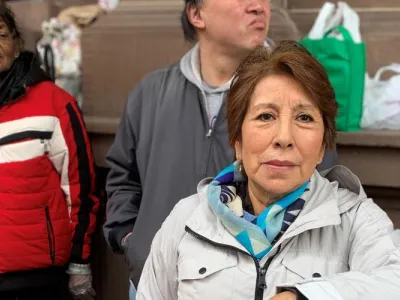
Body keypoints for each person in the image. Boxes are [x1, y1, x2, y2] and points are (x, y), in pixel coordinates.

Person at [103, 0, 339, 296]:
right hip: (154, 282)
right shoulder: (150, 93)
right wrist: (133, 241)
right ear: (196, 14)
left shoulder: (302, 93)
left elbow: (323, 189)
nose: (259, 7)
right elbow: (123, 177)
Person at [136, 41, 400, 300]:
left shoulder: (356, 221)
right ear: (237, 141)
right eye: (266, 116)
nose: (283, 137)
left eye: (304, 118)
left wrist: (306, 296)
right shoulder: (187, 219)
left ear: (322, 147)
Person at [0, 4, 99, 300]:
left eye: (1, 35)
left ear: (17, 45)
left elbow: (81, 189)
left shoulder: (54, 104)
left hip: (35, 281)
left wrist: (80, 263)